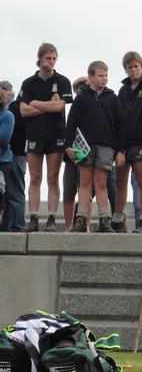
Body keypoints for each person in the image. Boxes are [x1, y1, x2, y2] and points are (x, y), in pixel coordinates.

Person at [65, 61, 126, 232]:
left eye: (106, 75)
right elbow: (71, 123)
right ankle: (81, 219)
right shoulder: (82, 98)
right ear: (91, 77)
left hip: (106, 147)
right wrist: (68, 146)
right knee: (84, 182)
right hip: (85, 147)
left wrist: (121, 150)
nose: (104, 79)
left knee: (101, 182)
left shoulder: (112, 98)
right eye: (100, 75)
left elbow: (121, 126)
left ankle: (105, 219)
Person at [19, 42, 73, 232]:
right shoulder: (28, 83)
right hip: (34, 134)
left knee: (52, 177)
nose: (51, 61)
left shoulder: (63, 81)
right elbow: (24, 111)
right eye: (48, 58)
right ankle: (33, 218)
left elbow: (59, 107)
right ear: (40, 58)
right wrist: (47, 105)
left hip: (56, 134)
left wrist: (35, 103)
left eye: (54, 58)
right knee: (35, 177)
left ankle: (51, 219)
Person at [113, 51, 142, 233]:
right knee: (120, 180)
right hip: (124, 142)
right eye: (130, 67)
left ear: (141, 66)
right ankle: (117, 218)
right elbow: (119, 119)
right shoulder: (123, 90)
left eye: (136, 66)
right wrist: (119, 148)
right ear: (126, 69)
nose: (133, 70)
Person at [62, 76, 90, 231]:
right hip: (71, 154)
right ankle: (68, 227)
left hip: (88, 153)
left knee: (86, 189)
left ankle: (86, 226)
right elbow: (69, 128)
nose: (80, 91)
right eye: (77, 89)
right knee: (68, 190)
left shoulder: (95, 104)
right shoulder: (74, 106)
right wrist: (67, 148)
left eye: (83, 87)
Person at [0, 81, 26, 232]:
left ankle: (16, 226)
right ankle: (6, 226)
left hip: (15, 156)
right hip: (10, 156)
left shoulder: (15, 109)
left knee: (14, 193)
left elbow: (4, 137)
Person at [0, 90, 15, 223]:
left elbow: (4, 137)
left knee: (4, 194)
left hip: (3, 161)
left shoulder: (7, 115)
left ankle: (6, 226)